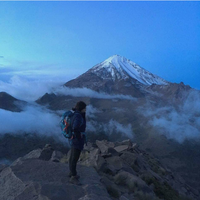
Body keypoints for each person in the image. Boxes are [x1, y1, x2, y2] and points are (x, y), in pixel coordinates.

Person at [68, 101, 87, 184]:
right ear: (81, 108)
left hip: (73, 139)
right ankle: (73, 176)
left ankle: (71, 172)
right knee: (74, 158)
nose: (86, 110)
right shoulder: (78, 116)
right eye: (85, 108)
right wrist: (79, 137)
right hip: (77, 140)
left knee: (72, 156)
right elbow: (75, 128)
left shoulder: (75, 114)